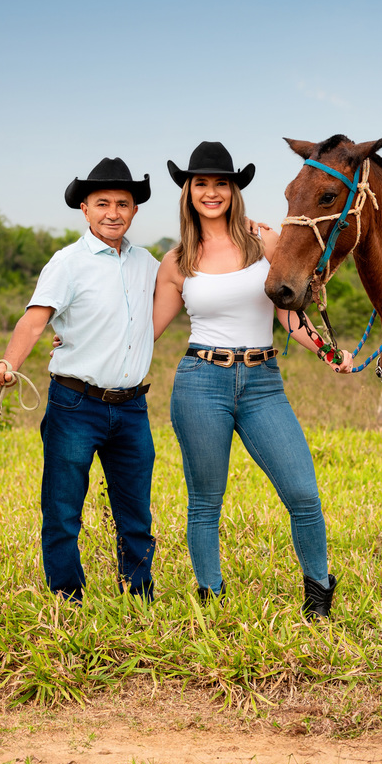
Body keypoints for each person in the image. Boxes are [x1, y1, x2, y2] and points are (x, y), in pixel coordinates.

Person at [153, 141, 352, 619]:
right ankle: (211, 599)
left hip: (263, 383)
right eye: (202, 183)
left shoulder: (265, 242)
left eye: (221, 183)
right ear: (189, 191)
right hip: (201, 381)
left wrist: (329, 352)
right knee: (205, 501)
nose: (212, 192)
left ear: (234, 189)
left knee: (303, 492)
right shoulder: (176, 261)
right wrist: (75, 341)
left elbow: (288, 315)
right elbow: (145, 331)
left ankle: (318, 597)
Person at [0, 157, 158, 603]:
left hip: (133, 407)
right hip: (76, 405)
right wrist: (8, 363)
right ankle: (67, 596)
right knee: (62, 510)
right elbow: (35, 320)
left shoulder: (147, 264)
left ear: (135, 210)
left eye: (123, 203)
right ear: (85, 209)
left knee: (135, 511)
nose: (113, 212)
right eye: (103, 203)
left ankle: (138, 592)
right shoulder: (67, 262)